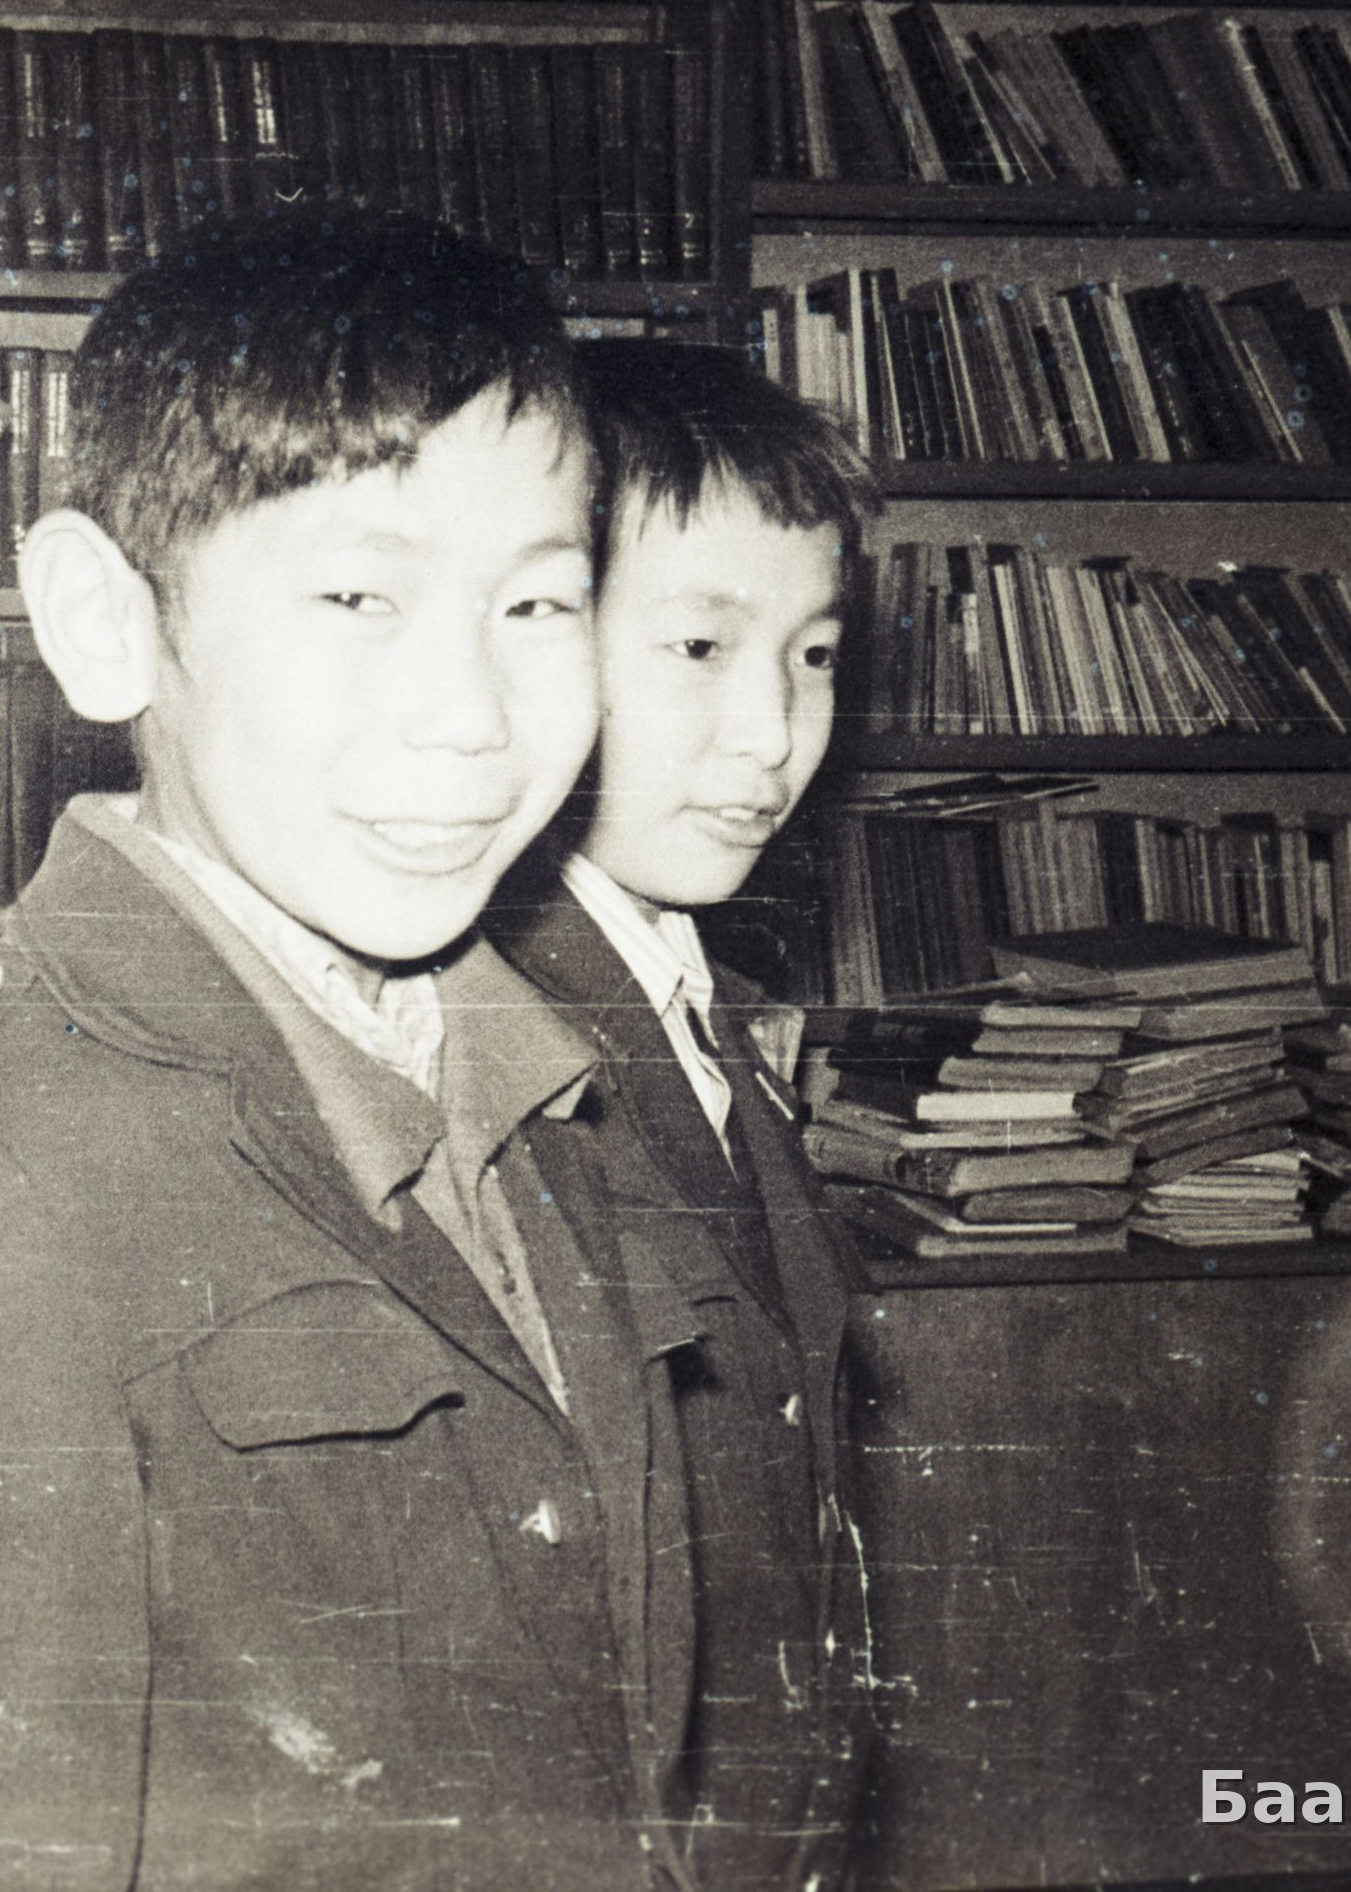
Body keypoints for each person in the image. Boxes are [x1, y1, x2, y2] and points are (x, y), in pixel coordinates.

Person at [0, 213, 714, 1889]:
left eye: (536, 603)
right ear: (105, 619)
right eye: (357, 595)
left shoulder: (540, 1090)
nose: (470, 713)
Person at [487, 337, 884, 1891]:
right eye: (701, 647)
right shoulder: (497, 1025)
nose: (773, 733)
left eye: (813, 655)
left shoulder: (681, 984)